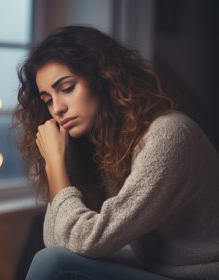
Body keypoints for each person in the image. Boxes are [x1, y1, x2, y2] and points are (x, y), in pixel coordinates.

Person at [13, 25, 219, 280]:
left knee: (54, 263)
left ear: (102, 78)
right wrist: (59, 161)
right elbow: (58, 239)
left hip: (200, 274)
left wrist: (54, 164)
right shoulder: (101, 143)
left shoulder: (169, 134)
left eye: (67, 88)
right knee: (53, 257)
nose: (57, 108)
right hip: (155, 266)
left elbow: (87, 240)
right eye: (47, 99)